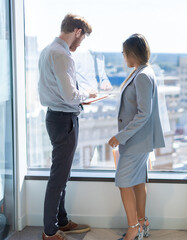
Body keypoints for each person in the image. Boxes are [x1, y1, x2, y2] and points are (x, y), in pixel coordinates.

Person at [38, 14, 97, 240]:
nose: (80, 44)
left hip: (56, 118)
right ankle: (50, 231)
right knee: (58, 177)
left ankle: (61, 221)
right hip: (64, 120)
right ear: (77, 31)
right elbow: (70, 95)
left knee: (62, 174)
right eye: (82, 39)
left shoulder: (47, 50)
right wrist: (89, 95)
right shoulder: (62, 55)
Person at [108, 34, 165, 240]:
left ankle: (133, 228)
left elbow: (144, 113)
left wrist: (120, 136)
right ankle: (142, 223)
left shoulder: (142, 75)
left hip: (136, 141)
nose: (123, 57)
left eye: (124, 53)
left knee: (123, 181)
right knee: (138, 181)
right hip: (140, 140)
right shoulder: (142, 71)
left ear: (132, 53)